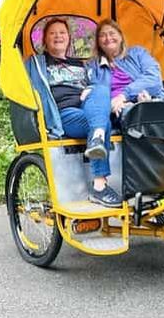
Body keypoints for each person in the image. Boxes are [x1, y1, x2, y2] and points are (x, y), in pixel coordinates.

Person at [26, 18, 121, 207]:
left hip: (88, 107)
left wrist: (89, 90)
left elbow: (98, 86)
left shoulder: (80, 64)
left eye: (62, 32)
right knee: (103, 123)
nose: (58, 36)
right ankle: (99, 185)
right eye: (52, 33)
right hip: (64, 112)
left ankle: (97, 136)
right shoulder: (37, 63)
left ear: (69, 38)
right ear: (45, 39)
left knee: (100, 89)